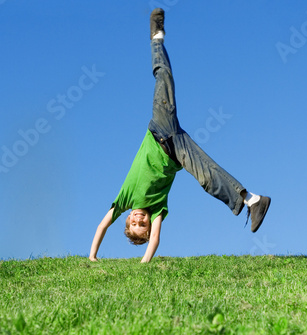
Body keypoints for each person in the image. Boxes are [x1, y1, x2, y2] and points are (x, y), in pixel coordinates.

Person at [89, 8, 271, 263]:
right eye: (143, 224)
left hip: (160, 131)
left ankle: (156, 37)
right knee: (207, 178)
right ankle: (253, 201)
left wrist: (93, 256)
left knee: (163, 76)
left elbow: (101, 226)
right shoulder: (157, 211)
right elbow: (155, 239)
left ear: (128, 218)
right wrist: (145, 262)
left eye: (135, 222)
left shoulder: (123, 201)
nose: (141, 219)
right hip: (176, 152)